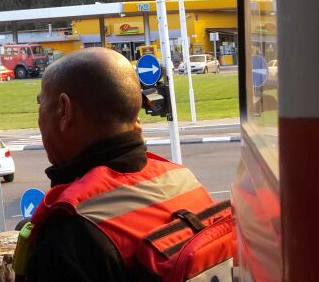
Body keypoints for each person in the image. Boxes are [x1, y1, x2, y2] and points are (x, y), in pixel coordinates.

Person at [15, 47, 219, 281]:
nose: (39, 117)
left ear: (64, 110)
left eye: (41, 104)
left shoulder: (70, 235)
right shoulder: (184, 181)